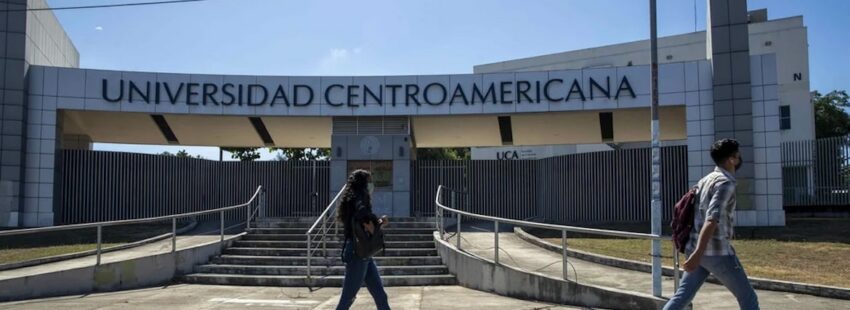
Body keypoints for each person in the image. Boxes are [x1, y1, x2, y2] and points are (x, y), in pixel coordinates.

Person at [664, 139, 759, 310]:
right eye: (738, 155)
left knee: (682, 296)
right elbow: (711, 219)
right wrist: (697, 255)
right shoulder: (725, 183)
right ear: (731, 159)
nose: (740, 158)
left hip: (696, 248)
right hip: (716, 252)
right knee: (748, 297)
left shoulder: (705, 180)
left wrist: (696, 254)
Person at [336, 169, 391, 310]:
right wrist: (377, 223)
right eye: (369, 181)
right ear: (363, 183)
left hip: (364, 253)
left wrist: (376, 223)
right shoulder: (359, 198)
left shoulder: (350, 200)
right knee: (348, 298)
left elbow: (362, 224)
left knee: (381, 296)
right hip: (357, 254)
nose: (371, 184)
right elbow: (364, 219)